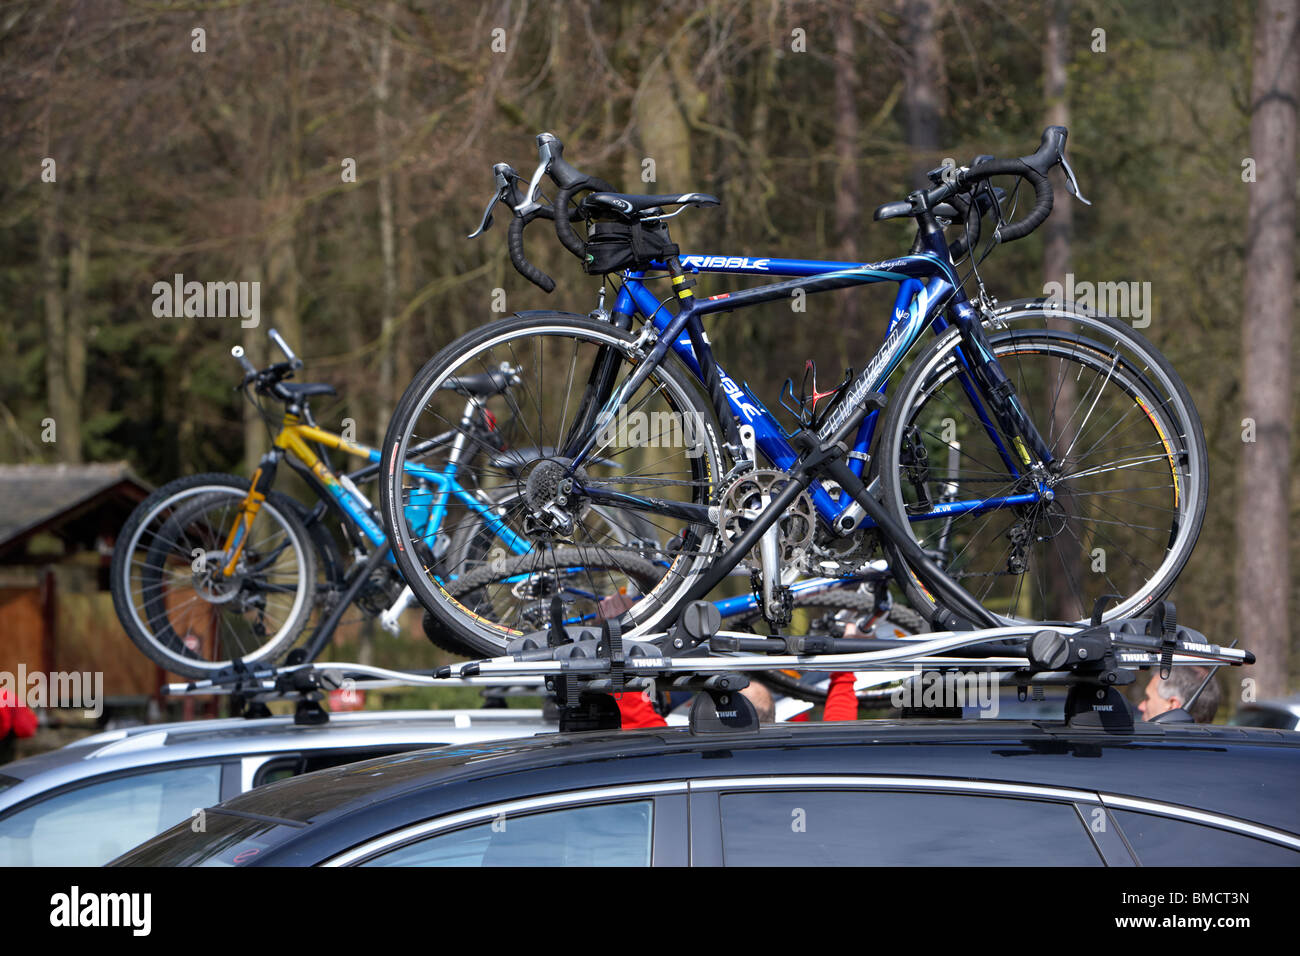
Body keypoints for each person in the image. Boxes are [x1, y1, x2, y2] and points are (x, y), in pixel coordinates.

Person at [1137, 666, 1221, 723]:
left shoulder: (1142, 748)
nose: (1140, 706)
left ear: (1172, 705)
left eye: (1148, 698)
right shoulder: (1227, 747)